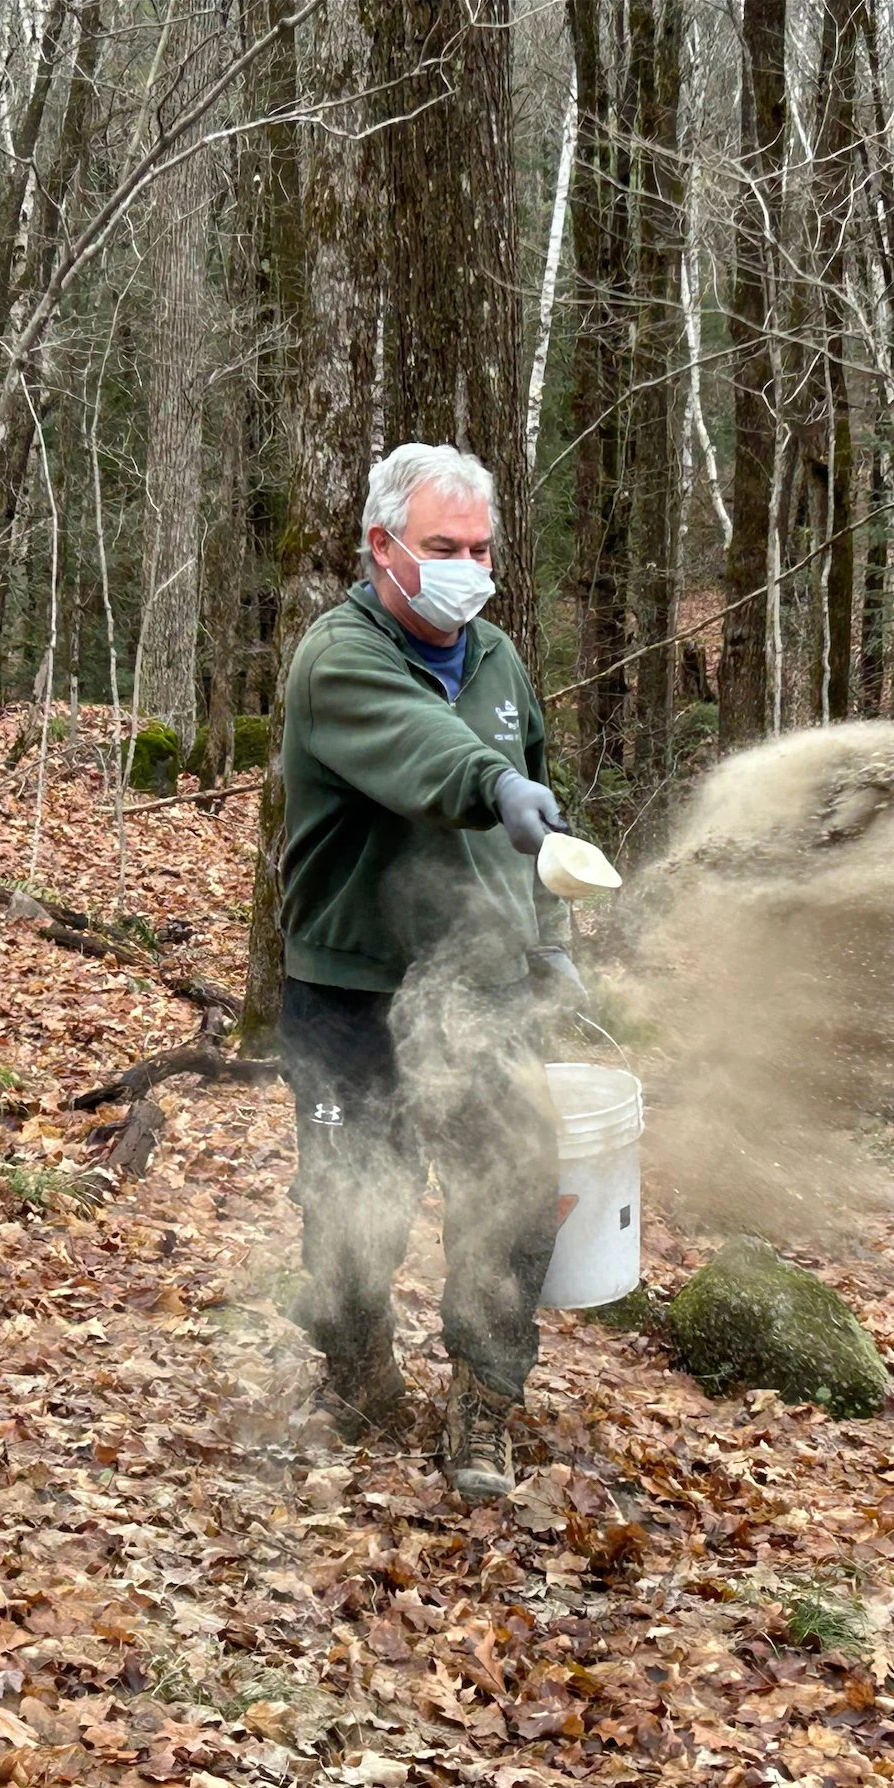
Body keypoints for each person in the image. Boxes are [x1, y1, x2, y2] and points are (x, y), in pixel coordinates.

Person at [275, 442, 583, 1503]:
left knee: (513, 1187)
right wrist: (489, 779)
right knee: (350, 1200)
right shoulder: (337, 657)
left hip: (481, 979)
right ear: (382, 547)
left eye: (480, 548)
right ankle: (357, 1367)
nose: (467, 567)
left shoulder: (497, 658)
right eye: (442, 547)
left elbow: (532, 815)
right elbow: (420, 750)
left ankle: (484, 1403)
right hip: (352, 981)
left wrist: (549, 944)